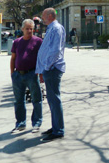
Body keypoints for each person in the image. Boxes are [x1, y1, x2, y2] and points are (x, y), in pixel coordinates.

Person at [36, 8, 66, 142]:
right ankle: (55, 126)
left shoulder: (56, 28)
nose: (42, 19)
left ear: (49, 16)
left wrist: (46, 67)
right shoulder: (51, 28)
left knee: (54, 99)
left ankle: (58, 130)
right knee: (52, 100)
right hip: (49, 69)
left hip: (52, 69)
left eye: (43, 16)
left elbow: (55, 50)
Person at [10, 19, 43, 134]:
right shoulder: (17, 42)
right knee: (19, 101)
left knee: (36, 99)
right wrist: (12, 73)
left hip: (32, 74)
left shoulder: (38, 41)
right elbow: (13, 58)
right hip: (18, 75)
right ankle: (20, 123)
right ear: (22, 29)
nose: (29, 31)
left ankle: (37, 123)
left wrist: (41, 73)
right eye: (27, 28)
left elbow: (41, 59)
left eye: (31, 29)